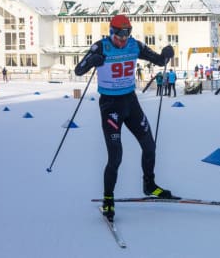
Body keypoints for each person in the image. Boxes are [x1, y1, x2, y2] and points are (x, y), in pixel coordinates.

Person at [74, 14, 175, 222]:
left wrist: (167, 53)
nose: (123, 40)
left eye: (126, 35)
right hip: (110, 106)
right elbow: (78, 70)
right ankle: (108, 198)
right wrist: (93, 60)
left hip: (130, 103)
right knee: (116, 156)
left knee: (149, 146)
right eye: (119, 36)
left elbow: (158, 60)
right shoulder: (100, 47)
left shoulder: (134, 45)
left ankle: (149, 185)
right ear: (111, 32)